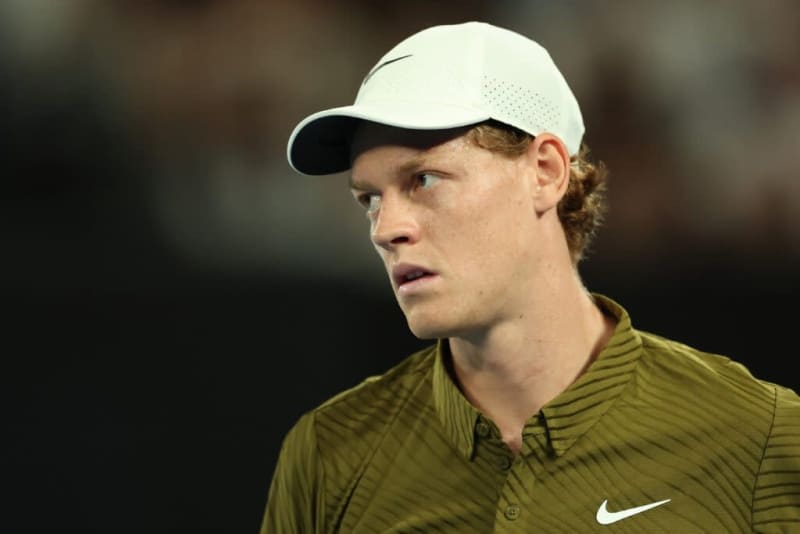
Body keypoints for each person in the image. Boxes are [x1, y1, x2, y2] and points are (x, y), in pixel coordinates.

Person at [261, 21, 800, 533]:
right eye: (370, 199)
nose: (385, 229)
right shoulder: (328, 455)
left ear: (545, 172)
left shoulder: (760, 439)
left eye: (423, 179)